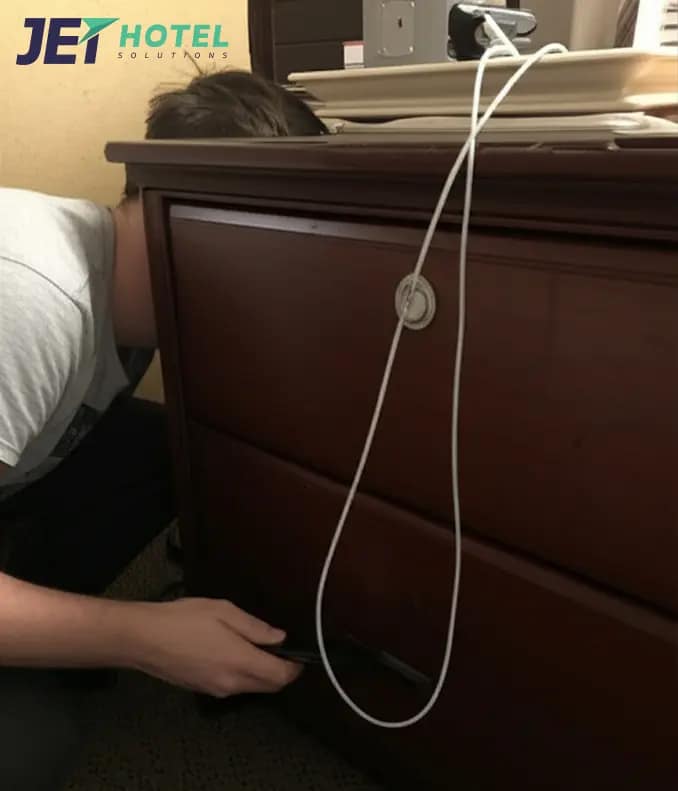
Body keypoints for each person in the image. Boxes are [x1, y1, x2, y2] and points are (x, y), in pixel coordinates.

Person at [0, 68, 328, 790]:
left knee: (155, 447)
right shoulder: (31, 293)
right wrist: (139, 638)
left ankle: (38, 637)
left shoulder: (136, 296)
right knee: (29, 748)